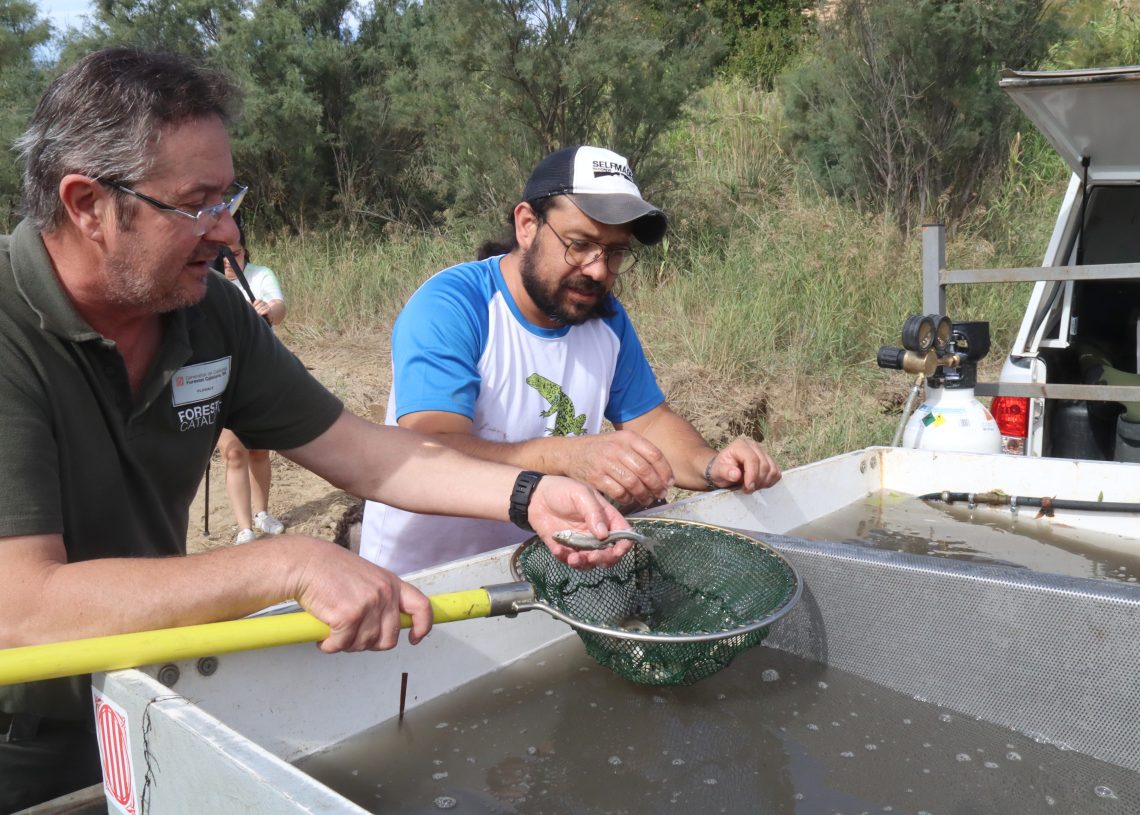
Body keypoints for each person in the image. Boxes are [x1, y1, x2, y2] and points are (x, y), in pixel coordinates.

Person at [0, 48, 630, 812]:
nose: (227, 231)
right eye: (196, 204)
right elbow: (22, 612)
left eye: (228, 196)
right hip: (19, 729)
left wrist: (529, 494)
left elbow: (363, 452)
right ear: (86, 203)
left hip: (138, 686)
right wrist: (285, 564)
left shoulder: (207, 312)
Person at [359, 145, 782, 574]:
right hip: (424, 580)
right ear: (527, 225)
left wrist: (711, 465)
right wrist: (567, 458)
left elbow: (650, 422)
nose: (598, 270)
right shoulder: (455, 305)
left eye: (615, 253)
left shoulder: (605, 318)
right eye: (579, 245)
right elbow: (432, 449)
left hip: (544, 570)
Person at [213, 226, 289, 543]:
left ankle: (262, 514)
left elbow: (278, 307)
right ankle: (244, 527)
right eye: (222, 255)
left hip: (258, 372)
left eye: (236, 253)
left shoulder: (259, 276)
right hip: (222, 377)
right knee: (233, 453)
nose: (229, 261)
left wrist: (267, 311)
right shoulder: (205, 282)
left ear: (245, 252)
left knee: (259, 450)